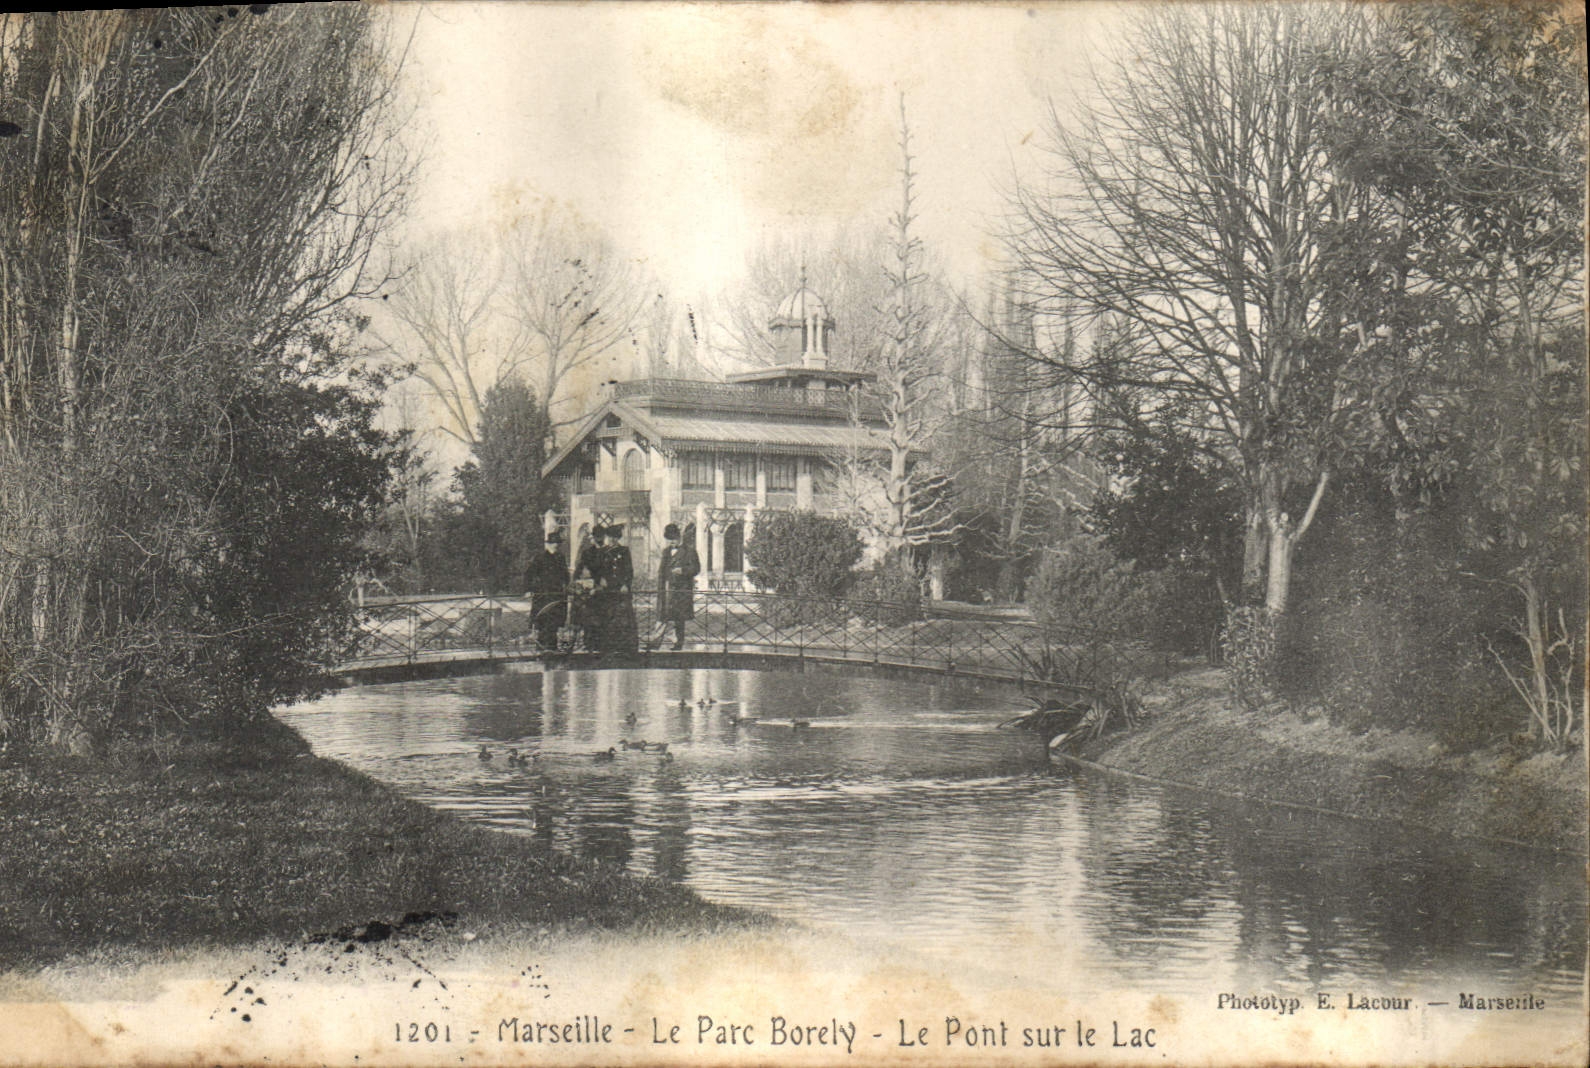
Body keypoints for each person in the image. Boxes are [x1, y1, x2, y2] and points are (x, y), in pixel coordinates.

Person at [651, 522, 700, 650]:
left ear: (679, 537)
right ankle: (655, 642)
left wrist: (683, 570)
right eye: (669, 539)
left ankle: (678, 643)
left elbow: (696, 568)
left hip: (681, 590)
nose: (671, 542)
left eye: (673, 539)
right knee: (662, 616)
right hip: (667, 589)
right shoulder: (666, 551)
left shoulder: (689, 551)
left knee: (679, 619)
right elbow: (661, 571)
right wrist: (661, 587)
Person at [522, 528, 568, 652]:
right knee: (542, 621)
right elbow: (528, 574)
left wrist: (567, 588)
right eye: (553, 543)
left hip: (557, 594)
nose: (556, 545)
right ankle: (542, 648)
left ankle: (552, 648)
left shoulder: (561, 558)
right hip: (543, 594)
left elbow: (565, 575)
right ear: (548, 544)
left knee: (555, 622)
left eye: (558, 543)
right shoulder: (540, 558)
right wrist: (528, 589)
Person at [599, 522, 639, 655]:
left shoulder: (624, 551)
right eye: (610, 537)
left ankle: (625, 647)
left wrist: (626, 584)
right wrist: (601, 578)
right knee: (607, 617)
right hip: (607, 590)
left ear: (618, 538)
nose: (612, 539)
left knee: (624, 618)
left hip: (621, 590)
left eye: (615, 537)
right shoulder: (603, 552)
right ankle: (608, 647)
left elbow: (629, 570)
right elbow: (598, 569)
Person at [572, 524, 607, 652]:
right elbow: (579, 569)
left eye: (601, 536)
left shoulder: (608, 552)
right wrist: (578, 583)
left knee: (603, 618)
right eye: (597, 536)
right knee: (589, 617)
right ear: (594, 537)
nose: (599, 539)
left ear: (604, 537)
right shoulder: (587, 552)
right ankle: (588, 644)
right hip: (590, 589)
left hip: (604, 590)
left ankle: (602, 645)